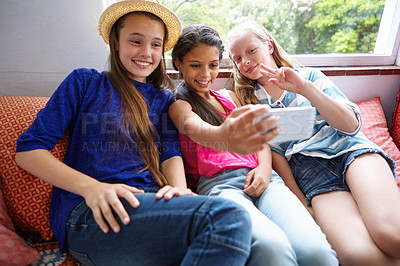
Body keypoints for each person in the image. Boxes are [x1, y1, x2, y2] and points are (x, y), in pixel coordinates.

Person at [12, 2, 282, 264]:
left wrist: (179, 190)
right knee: (229, 217)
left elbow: (169, 153)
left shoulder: (164, 99)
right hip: (90, 211)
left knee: (250, 244)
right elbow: (28, 151)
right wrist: (92, 189)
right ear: (115, 42)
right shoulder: (85, 82)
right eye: (135, 41)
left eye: (155, 45)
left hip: (151, 204)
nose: (146, 52)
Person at [226, 20, 400, 266]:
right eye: (237, 58)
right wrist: (300, 202)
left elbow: (350, 125)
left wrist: (304, 89)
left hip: (350, 151)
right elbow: (275, 155)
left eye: (251, 51)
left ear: (270, 46)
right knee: (358, 257)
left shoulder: (308, 76)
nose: (245, 62)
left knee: (391, 235)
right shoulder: (250, 101)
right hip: (309, 172)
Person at [169, 24, 338, 266]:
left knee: (315, 251)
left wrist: (264, 171)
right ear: (179, 64)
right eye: (196, 65)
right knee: (271, 248)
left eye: (213, 65)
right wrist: (224, 135)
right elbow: (195, 129)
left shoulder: (229, 97)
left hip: (266, 179)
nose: (206, 74)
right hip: (221, 187)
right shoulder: (181, 106)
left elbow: (261, 142)